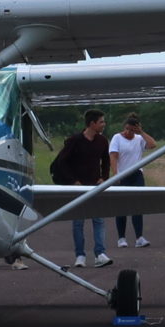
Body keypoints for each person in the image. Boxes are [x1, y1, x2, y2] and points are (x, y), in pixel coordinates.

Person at [52, 107, 112, 267]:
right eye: (101, 122)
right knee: (78, 222)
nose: (103, 124)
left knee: (98, 220)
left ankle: (100, 253)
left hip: (96, 186)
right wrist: (73, 181)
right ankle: (80, 256)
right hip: (77, 187)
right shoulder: (74, 140)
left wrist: (103, 178)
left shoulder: (102, 141)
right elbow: (62, 162)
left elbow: (106, 161)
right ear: (92, 124)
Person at [108, 112, 152, 249]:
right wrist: (116, 175)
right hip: (122, 175)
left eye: (132, 130)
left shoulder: (139, 139)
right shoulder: (117, 138)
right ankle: (121, 238)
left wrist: (141, 132)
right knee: (121, 207)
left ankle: (139, 237)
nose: (128, 132)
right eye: (127, 129)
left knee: (137, 206)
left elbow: (152, 145)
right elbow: (113, 157)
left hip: (137, 175)